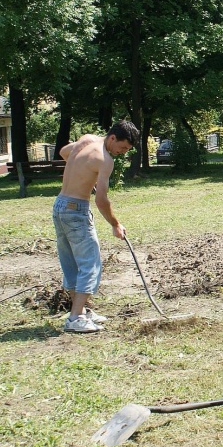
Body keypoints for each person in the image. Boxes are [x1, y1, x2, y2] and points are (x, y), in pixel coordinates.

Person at [53, 120, 140, 333]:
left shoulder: (86, 140)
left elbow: (64, 152)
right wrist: (115, 224)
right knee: (89, 263)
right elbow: (101, 200)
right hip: (76, 210)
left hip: (60, 206)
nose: (122, 153)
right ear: (112, 138)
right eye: (122, 148)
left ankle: (79, 312)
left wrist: (83, 175)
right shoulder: (105, 160)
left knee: (72, 263)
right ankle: (75, 319)